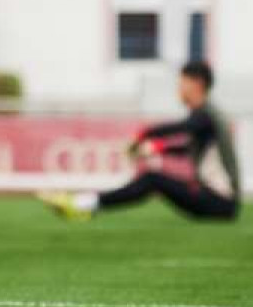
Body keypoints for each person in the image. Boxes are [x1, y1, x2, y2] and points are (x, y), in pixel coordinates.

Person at [43, 61, 239, 221]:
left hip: (219, 201)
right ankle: (85, 203)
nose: (178, 89)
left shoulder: (205, 115)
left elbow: (182, 127)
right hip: (217, 201)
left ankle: (83, 204)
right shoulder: (208, 115)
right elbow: (188, 148)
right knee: (153, 180)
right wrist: (158, 149)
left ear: (197, 83)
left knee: (152, 179)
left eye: (182, 83)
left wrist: (145, 133)